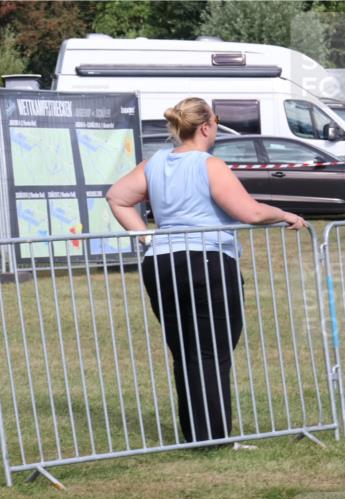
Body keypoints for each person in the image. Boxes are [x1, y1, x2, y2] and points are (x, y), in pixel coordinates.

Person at [107, 97, 306, 446]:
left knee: (185, 349)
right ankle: (214, 437)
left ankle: (198, 435)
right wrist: (285, 214)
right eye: (214, 123)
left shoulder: (154, 163)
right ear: (205, 126)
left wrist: (147, 240)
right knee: (213, 348)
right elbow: (250, 213)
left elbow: (117, 196)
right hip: (206, 261)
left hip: (163, 263)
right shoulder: (209, 164)